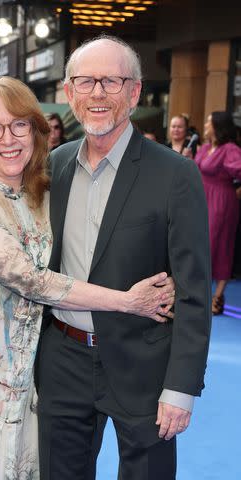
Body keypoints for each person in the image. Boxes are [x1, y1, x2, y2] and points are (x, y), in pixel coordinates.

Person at [0, 76, 175, 480]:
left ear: (38, 133)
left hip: (27, 371)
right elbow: (32, 280)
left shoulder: (43, 194)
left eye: (20, 125)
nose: (9, 138)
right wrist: (128, 300)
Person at [37, 35, 211, 480]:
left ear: (134, 93)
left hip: (145, 367)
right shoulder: (52, 167)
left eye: (111, 81)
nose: (97, 93)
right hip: (63, 360)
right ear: (68, 92)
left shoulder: (176, 174)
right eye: (85, 81)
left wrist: (181, 387)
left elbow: (193, 290)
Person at [195, 111, 241, 314]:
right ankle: (199, 294)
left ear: (217, 126)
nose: (205, 124)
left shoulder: (229, 149)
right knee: (198, 244)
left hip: (221, 201)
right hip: (201, 199)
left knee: (218, 245)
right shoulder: (205, 147)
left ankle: (217, 296)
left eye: (208, 121)